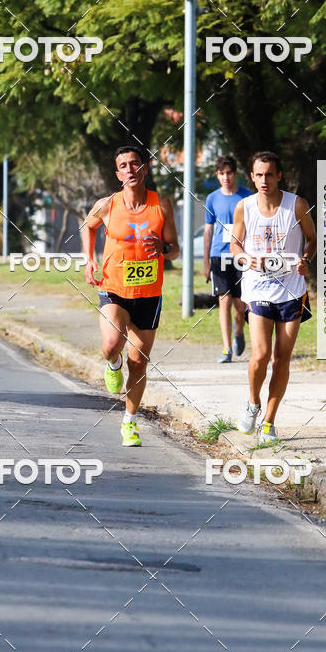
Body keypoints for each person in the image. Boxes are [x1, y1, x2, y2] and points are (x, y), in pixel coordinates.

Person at [82, 146, 180, 447]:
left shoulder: (161, 205)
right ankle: (111, 364)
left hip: (149, 294)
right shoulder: (108, 205)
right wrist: (89, 259)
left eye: (134, 164)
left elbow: (175, 249)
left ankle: (130, 421)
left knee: (138, 363)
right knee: (112, 344)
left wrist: (162, 248)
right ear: (118, 174)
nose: (130, 170)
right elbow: (88, 226)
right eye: (123, 166)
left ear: (145, 168)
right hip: (114, 288)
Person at [230, 151, 316, 444]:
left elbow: (312, 238)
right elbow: (235, 244)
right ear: (252, 177)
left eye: (269, 174)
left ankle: (268, 421)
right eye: (259, 175)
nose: (264, 180)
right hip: (258, 289)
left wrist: (306, 259)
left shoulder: (297, 205)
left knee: (282, 359)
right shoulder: (244, 207)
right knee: (261, 354)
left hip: (292, 290)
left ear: (279, 175)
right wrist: (245, 259)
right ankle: (252, 402)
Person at [204, 155, 252, 363]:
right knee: (224, 302)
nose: (226, 177)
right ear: (217, 175)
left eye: (229, 173)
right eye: (221, 173)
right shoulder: (212, 198)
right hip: (219, 255)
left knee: (240, 306)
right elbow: (208, 230)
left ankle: (239, 330)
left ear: (235, 174)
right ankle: (226, 348)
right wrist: (206, 261)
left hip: (241, 256)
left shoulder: (248, 197)